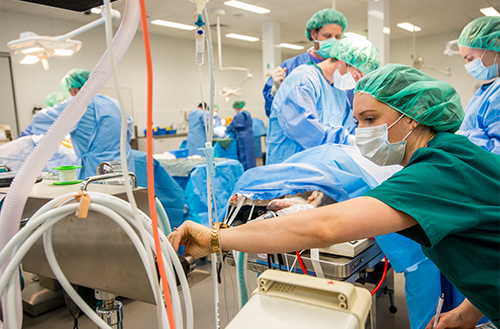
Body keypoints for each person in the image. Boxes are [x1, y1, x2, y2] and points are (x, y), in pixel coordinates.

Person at [168, 64, 500, 328]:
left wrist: (216, 237)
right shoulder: (452, 153)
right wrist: (466, 315)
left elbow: (324, 228)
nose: (361, 133)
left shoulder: (436, 172)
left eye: (371, 120)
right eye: (357, 121)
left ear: (412, 117)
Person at [266, 36, 380, 165]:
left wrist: (368, 138)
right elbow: (304, 128)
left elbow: (349, 126)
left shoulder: (339, 93)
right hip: (289, 166)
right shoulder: (302, 80)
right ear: (342, 60)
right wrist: (348, 140)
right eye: (357, 75)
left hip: (318, 167)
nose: (355, 82)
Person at [20, 69, 135, 180]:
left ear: (73, 90)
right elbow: (128, 133)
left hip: (97, 170)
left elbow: (39, 120)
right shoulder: (114, 102)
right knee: (123, 198)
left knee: (99, 199)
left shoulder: (79, 105)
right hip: (125, 166)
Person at [262, 9, 348, 117]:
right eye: (327, 36)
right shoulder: (291, 67)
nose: (333, 41)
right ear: (314, 34)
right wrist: (275, 91)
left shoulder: (345, 69)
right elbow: (272, 112)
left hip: (338, 133)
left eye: (337, 37)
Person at [458, 16, 500, 154]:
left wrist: (463, 142)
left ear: (495, 45)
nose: (468, 66)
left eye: (471, 58)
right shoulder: (489, 90)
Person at [226, 100, 256, 170]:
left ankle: (245, 171)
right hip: (249, 136)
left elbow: (237, 125)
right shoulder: (247, 113)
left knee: (244, 155)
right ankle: (252, 170)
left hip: (243, 137)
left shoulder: (240, 115)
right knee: (250, 155)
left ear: (236, 107)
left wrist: (227, 128)